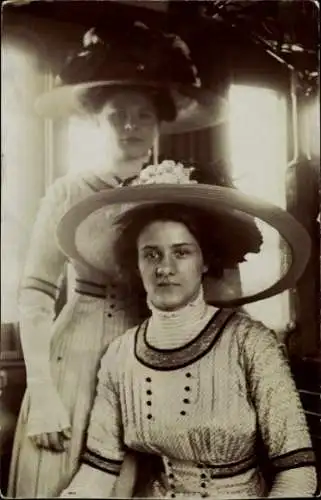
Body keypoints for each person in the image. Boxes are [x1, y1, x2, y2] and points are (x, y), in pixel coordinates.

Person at [7, 21, 227, 498]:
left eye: (142, 115)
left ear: (158, 122)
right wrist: (44, 392)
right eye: (116, 115)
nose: (130, 126)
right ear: (96, 120)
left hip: (157, 355)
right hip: (76, 359)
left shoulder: (182, 192)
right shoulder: (67, 192)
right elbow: (36, 292)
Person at [56, 163, 316, 498]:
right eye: (151, 254)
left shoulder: (250, 343)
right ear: (136, 264)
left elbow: (298, 472)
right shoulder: (120, 355)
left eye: (181, 252)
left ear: (205, 261)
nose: (165, 268)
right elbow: (98, 471)